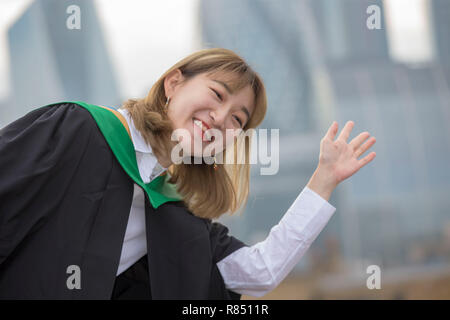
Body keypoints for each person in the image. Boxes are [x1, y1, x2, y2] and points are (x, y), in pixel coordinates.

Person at [0, 48, 376, 299]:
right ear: (173, 83)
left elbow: (260, 270)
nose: (220, 118)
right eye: (216, 94)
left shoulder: (176, 217)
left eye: (237, 120)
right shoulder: (78, 130)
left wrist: (324, 178)